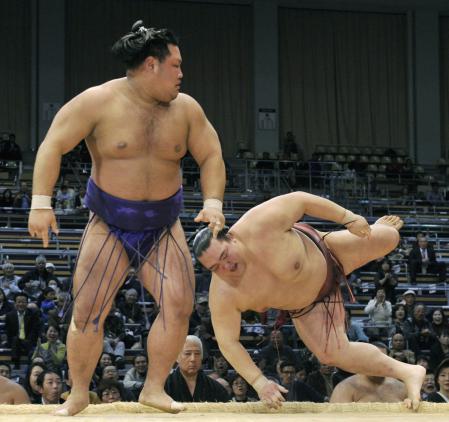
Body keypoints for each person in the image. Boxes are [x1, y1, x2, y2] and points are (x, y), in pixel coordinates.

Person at [27, 20, 225, 416]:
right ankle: (79, 393)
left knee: (180, 304)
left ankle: (153, 387)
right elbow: (53, 145)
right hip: (109, 223)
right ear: (151, 65)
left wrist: (214, 201)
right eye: (176, 66)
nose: (182, 74)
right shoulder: (96, 102)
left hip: (163, 225)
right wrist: (40, 202)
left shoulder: (187, 110)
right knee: (88, 311)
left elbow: (211, 154)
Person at [193, 191, 425, 410]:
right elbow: (228, 342)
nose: (227, 267)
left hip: (328, 253)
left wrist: (348, 218)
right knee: (332, 353)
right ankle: (408, 372)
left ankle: (379, 228)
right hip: (306, 306)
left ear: (232, 238)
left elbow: (301, 200)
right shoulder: (223, 293)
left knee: (390, 238)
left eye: (225, 256)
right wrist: (259, 382)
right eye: (216, 268)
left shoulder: (259, 223)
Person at [330, 342, 407, 403]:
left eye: (383, 359)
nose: (378, 363)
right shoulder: (345, 388)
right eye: (374, 359)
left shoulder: (402, 388)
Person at [164, 335, 229, 402]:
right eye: (187, 353)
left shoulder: (216, 388)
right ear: (177, 357)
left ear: (202, 357)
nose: (193, 359)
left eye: (197, 354)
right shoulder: (164, 387)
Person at [5, 292, 41, 368]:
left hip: (29, 340)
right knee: (15, 340)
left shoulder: (33, 314)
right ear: (15, 303)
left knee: (29, 345)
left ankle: (26, 366)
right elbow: (9, 333)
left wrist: (28, 341)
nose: (21, 304)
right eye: (19, 302)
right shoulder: (9, 315)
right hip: (15, 342)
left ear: (27, 303)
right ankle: (17, 364)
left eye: (23, 302)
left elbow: (34, 331)